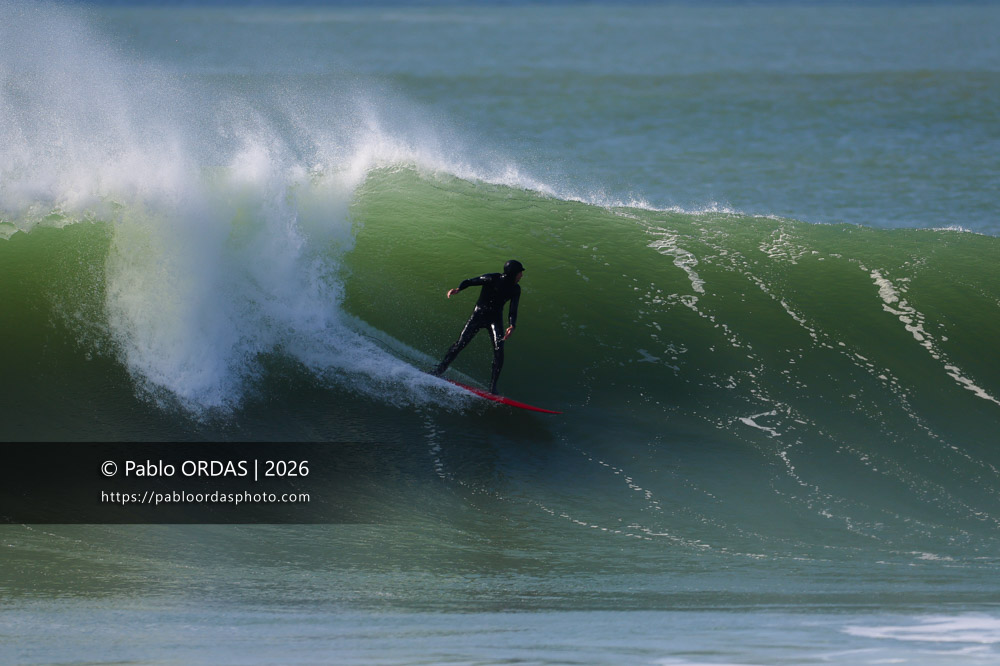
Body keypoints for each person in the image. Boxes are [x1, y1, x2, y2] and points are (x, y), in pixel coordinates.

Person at [431, 259, 524, 394]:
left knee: (499, 351)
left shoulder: (515, 289)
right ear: (512, 273)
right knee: (460, 343)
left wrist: (512, 325)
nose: (521, 275)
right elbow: (470, 281)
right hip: (478, 316)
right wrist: (459, 289)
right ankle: (439, 370)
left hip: (495, 320)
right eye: (520, 273)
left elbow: (513, 309)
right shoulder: (491, 278)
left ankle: (492, 388)